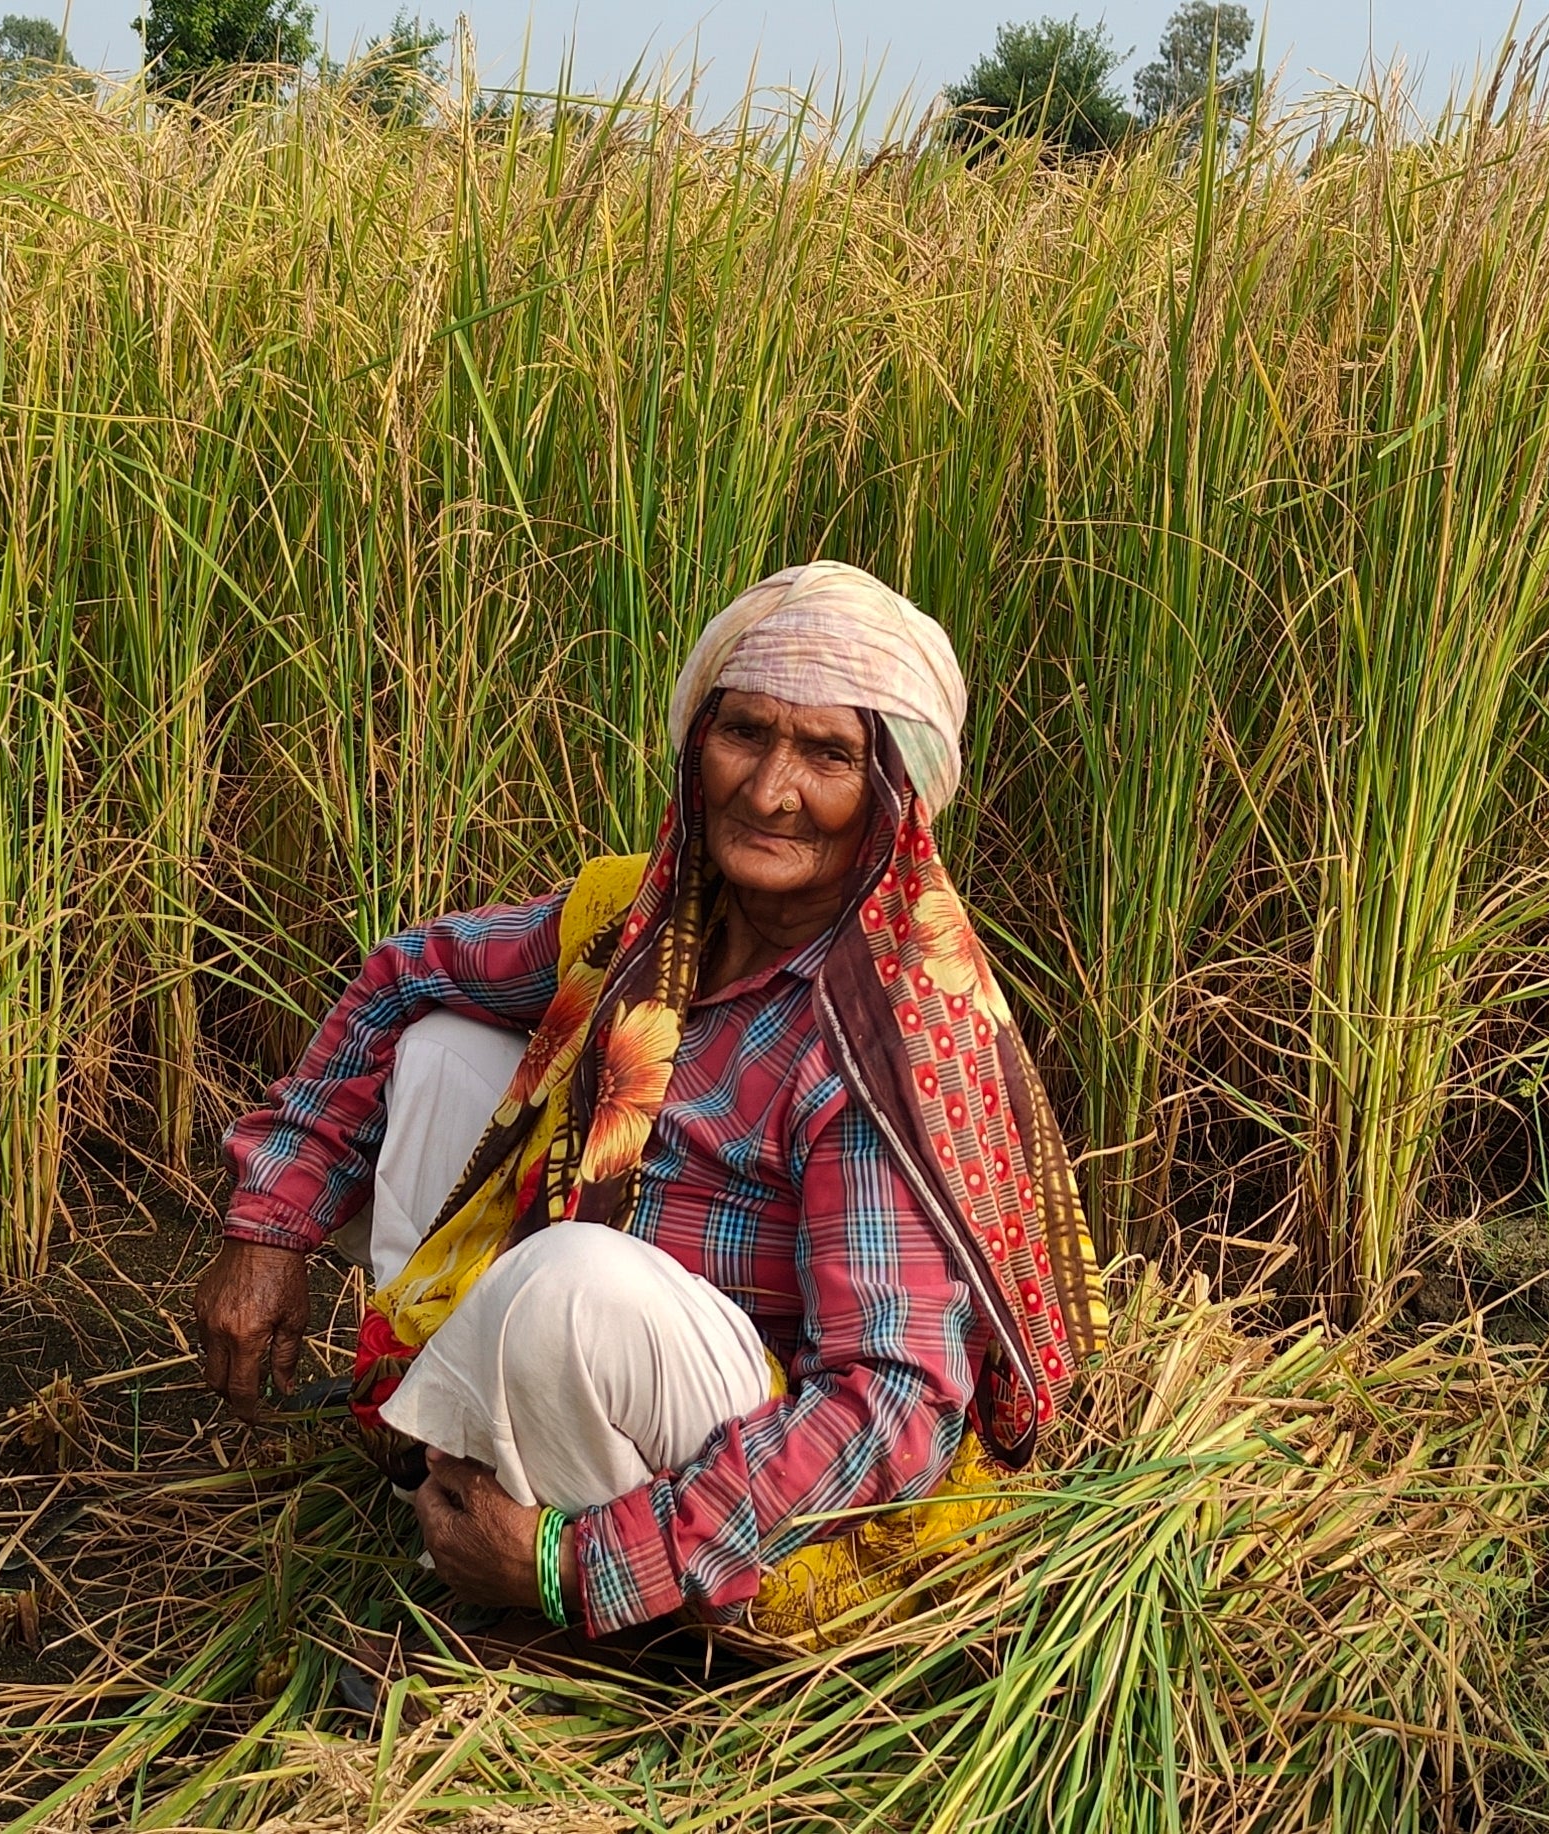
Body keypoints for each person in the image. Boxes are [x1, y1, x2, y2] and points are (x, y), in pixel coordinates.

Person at [191, 560, 1102, 1645]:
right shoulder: (647, 917)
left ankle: (577, 1603)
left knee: (569, 1285)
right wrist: (267, 1225)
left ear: (889, 798)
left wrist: (574, 1561)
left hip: (762, 1445)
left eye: (827, 755)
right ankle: (434, 1469)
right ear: (695, 747)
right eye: (744, 734)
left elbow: (888, 1405)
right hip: (623, 1349)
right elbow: (403, 975)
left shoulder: (875, 1035)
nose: (769, 789)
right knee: (439, 1050)